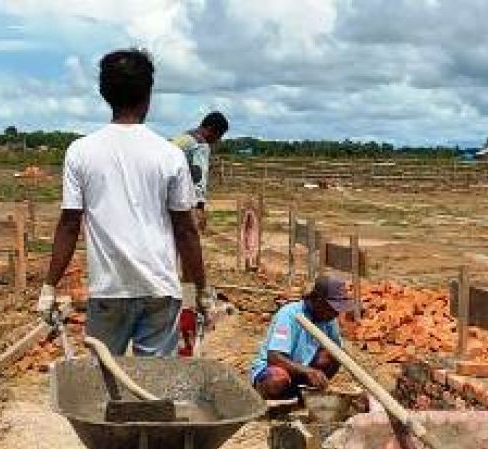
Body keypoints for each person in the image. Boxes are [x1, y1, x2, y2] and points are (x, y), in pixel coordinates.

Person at [37, 48, 209, 357]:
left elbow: (69, 224)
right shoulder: (169, 155)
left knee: (105, 383)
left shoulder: (81, 152)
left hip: (109, 291)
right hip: (159, 290)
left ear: (104, 93)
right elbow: (186, 230)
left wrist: (50, 285)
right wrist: (202, 289)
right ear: (149, 94)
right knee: (153, 389)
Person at [251, 276, 349, 400]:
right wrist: (308, 371)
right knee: (277, 379)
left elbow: (337, 350)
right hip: (272, 370)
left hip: (302, 371)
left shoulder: (328, 319)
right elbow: (274, 357)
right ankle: (271, 398)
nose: (336, 313)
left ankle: (305, 394)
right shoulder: (289, 314)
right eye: (333, 308)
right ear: (318, 300)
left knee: (335, 354)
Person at [171, 111, 229, 233]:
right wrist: (199, 207)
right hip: (177, 197)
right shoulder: (200, 145)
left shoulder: (183, 137)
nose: (217, 140)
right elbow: (198, 177)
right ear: (211, 129)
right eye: (219, 135)